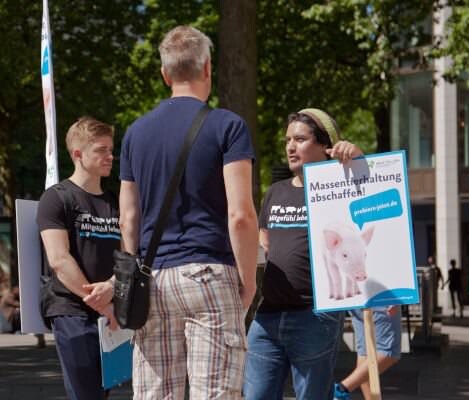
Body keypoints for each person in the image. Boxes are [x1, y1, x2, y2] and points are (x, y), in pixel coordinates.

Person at [119, 25, 258, 399]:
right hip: (208, 272)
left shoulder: (135, 133)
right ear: (208, 67)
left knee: (155, 394)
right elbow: (241, 215)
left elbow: (128, 219)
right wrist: (248, 281)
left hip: (153, 277)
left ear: (165, 74)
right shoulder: (228, 126)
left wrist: (133, 276)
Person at [244, 109, 363, 400]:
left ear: (326, 146)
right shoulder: (275, 192)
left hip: (314, 316)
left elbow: (373, 191)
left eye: (300, 139)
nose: (290, 147)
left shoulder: (340, 188)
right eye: (288, 140)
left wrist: (357, 158)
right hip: (267, 317)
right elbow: (264, 243)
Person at [37, 116, 120, 400]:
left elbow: (131, 254)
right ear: (77, 154)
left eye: (111, 149)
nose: (110, 156)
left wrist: (112, 287)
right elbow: (59, 259)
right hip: (72, 310)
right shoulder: (56, 198)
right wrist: (99, 301)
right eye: (101, 150)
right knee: (86, 394)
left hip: (112, 310)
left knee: (103, 392)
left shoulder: (116, 201)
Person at [333, 306, 402, 400]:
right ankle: (340, 390)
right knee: (388, 351)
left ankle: (340, 391)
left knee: (365, 354)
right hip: (381, 299)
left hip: (357, 300)